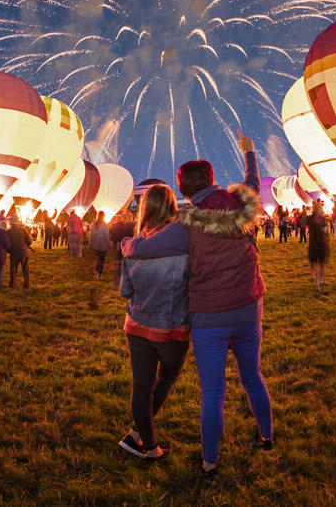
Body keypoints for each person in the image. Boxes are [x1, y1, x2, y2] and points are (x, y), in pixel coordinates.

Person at [122, 130, 272, 477]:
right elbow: (251, 180)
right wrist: (249, 151)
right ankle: (266, 437)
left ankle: (209, 462)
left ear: (184, 191)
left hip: (208, 315)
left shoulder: (186, 223)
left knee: (214, 393)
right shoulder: (239, 204)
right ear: (213, 180)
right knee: (253, 376)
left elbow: (145, 248)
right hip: (249, 307)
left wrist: (127, 245)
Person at [118, 185, 190, 461]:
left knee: (142, 388)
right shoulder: (182, 244)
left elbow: (125, 291)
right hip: (173, 326)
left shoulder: (132, 245)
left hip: (137, 325)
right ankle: (147, 445)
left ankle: (145, 442)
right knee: (166, 380)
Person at [308, 201, 329, 291]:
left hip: (322, 244)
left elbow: (326, 232)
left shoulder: (323, 220)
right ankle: (317, 284)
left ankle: (320, 280)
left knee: (321, 263)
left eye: (320, 209)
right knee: (314, 264)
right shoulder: (311, 220)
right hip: (314, 244)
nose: (319, 210)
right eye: (317, 209)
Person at [8, 215, 32, 288]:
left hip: (14, 252)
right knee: (25, 269)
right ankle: (26, 284)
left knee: (13, 269)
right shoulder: (23, 229)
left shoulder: (9, 231)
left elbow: (8, 243)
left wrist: (10, 251)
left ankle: (12, 284)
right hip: (23, 252)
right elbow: (29, 241)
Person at [89, 211, 110, 280]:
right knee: (101, 260)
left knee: (99, 259)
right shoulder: (104, 225)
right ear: (104, 216)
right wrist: (108, 245)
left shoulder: (94, 224)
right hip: (103, 245)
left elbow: (91, 235)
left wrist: (91, 245)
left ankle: (96, 273)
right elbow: (106, 236)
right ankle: (100, 273)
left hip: (96, 245)